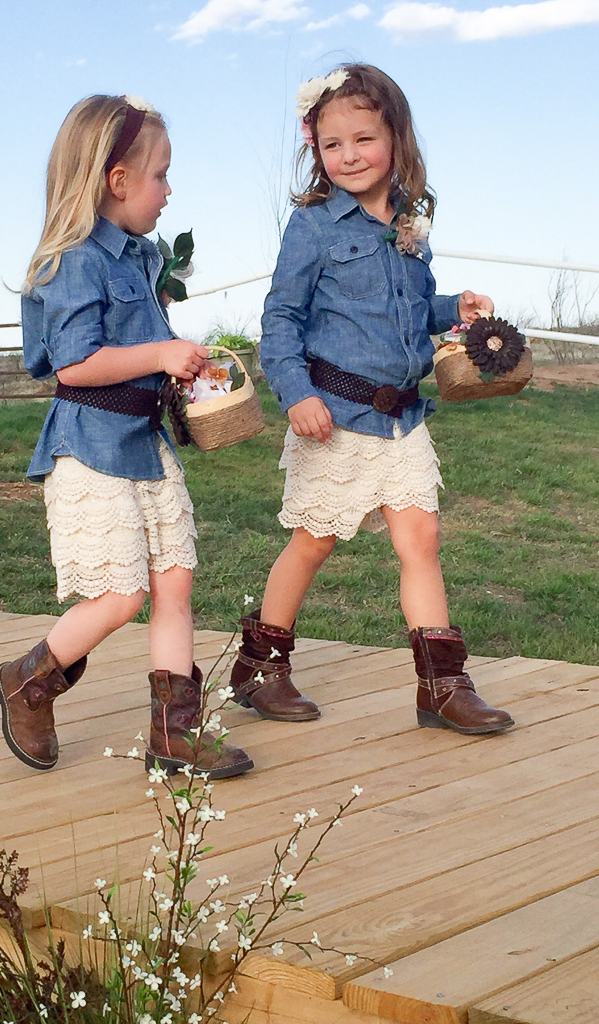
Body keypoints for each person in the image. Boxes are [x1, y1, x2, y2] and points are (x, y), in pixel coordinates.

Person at [230, 64, 513, 735]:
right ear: (315, 149)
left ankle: (442, 686)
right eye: (333, 144)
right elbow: (280, 320)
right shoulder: (314, 227)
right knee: (314, 540)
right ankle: (261, 666)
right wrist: (295, 393)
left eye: (363, 138)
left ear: (396, 136)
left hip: (402, 417)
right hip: (334, 413)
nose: (349, 155)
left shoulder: (412, 222)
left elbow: (412, 309)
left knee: (422, 537)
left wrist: (455, 308)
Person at [0, 94, 253, 778]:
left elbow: (146, 343)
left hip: (144, 442)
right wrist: (160, 356)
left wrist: (182, 366)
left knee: (175, 583)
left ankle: (175, 735)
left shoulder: (139, 257)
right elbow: (77, 363)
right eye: (161, 175)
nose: (169, 190)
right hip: (92, 447)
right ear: (117, 180)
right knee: (121, 595)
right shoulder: (76, 259)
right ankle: (29, 679)